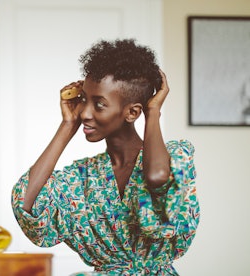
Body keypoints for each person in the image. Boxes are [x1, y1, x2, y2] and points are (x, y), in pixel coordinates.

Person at [11, 39, 200, 275]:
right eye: (84, 100)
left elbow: (156, 177)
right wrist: (68, 125)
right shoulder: (81, 177)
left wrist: (153, 113)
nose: (85, 113)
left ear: (132, 112)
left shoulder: (175, 156)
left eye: (99, 104)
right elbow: (26, 204)